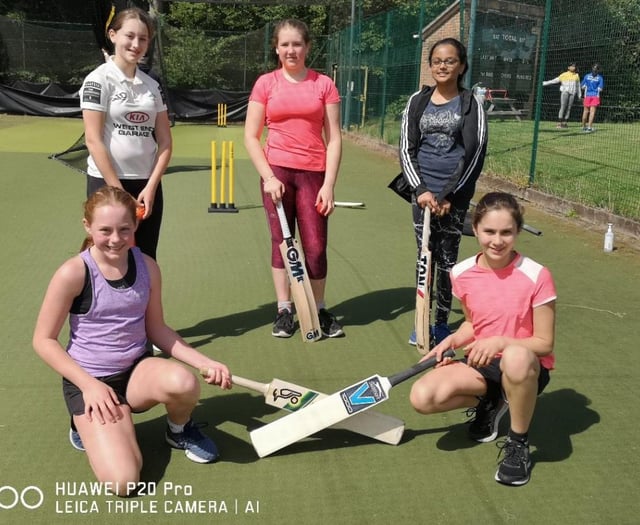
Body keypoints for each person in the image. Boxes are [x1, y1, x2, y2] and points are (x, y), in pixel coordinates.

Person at [32, 186, 232, 496]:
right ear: (87, 227)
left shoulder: (147, 266)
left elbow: (158, 329)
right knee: (123, 482)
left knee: (185, 383)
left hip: (136, 372)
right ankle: (84, 423)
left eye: (124, 229)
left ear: (135, 226)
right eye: (105, 230)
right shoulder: (73, 273)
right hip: (90, 380)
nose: (115, 239)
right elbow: (43, 340)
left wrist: (204, 362)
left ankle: (178, 431)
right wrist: (90, 386)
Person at [409, 192, 557, 486]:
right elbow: (472, 324)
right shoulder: (462, 272)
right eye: (489, 231)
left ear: (517, 231)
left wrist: (501, 343)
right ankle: (493, 400)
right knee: (422, 397)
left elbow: (544, 343)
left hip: (525, 365)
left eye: (506, 232)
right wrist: (452, 340)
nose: (497, 241)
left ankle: (518, 443)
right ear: (475, 229)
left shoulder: (537, 275)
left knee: (515, 358)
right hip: (482, 362)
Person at [244, 19, 344, 339]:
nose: (291, 50)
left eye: (297, 44)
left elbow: (335, 139)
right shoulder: (266, 84)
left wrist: (328, 184)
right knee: (282, 244)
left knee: (315, 247)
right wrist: (269, 177)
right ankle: (284, 309)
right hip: (277, 174)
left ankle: (318, 308)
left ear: (307, 47)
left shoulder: (323, 84)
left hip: (313, 174)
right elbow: (250, 136)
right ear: (276, 48)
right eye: (285, 44)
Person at [399, 37, 488, 348]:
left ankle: (439, 325)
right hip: (421, 192)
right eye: (437, 60)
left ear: (461, 66)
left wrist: (450, 195)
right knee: (425, 256)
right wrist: (421, 189)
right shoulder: (417, 101)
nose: (442, 66)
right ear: (430, 65)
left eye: (450, 61)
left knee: (447, 259)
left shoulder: (471, 103)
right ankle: (421, 319)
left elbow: (475, 153)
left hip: (455, 194)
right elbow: (406, 149)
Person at [80, 7, 172, 260]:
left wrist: (152, 185)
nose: (136, 44)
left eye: (143, 39)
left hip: (146, 186)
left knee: (145, 257)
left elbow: (165, 142)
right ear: (112, 35)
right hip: (107, 182)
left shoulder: (152, 85)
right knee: (108, 256)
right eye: (129, 36)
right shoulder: (98, 80)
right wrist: (119, 193)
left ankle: (144, 302)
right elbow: (93, 139)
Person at [542, 61, 581, 129]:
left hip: (572, 93)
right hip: (565, 92)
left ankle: (565, 123)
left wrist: (579, 95)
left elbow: (578, 86)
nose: (573, 67)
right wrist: (544, 83)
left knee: (569, 108)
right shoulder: (564, 74)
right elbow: (554, 81)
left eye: (574, 66)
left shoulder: (576, 75)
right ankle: (559, 123)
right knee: (563, 107)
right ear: (568, 67)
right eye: (572, 66)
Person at [580, 63, 604, 133]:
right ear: (598, 70)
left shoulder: (587, 76)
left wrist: (586, 87)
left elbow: (582, 86)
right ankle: (589, 127)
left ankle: (584, 127)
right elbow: (600, 89)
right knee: (592, 112)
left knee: (585, 111)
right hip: (595, 96)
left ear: (592, 68)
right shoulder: (600, 78)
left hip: (587, 95)